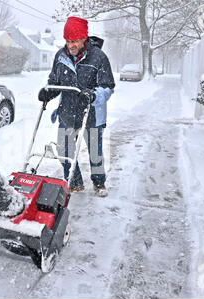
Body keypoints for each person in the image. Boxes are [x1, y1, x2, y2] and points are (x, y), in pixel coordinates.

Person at [38, 16, 115, 197]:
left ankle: (99, 183)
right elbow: (55, 81)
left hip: (92, 111)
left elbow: (108, 87)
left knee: (94, 151)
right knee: (64, 149)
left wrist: (94, 95)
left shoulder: (99, 58)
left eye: (75, 41)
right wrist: (48, 92)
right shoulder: (61, 56)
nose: (70, 45)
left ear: (84, 39)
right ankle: (74, 183)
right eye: (67, 41)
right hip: (68, 110)